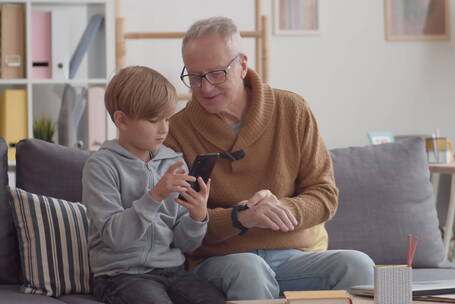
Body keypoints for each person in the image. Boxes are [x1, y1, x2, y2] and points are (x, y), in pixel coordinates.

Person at [164, 17, 375, 300]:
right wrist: (242, 217)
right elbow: (178, 225)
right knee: (250, 268)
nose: (205, 88)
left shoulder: (293, 110)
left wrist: (279, 209)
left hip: (296, 258)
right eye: (195, 76)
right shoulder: (176, 131)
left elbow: (325, 196)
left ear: (242, 65)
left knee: (359, 264)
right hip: (222, 261)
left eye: (216, 74)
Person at [82, 66, 226, 304]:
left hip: (173, 271)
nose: (164, 129)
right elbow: (114, 237)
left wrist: (197, 217)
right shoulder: (100, 166)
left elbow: (184, 243)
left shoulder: (173, 161)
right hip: (121, 275)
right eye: (153, 120)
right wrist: (155, 195)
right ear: (121, 120)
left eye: (167, 118)